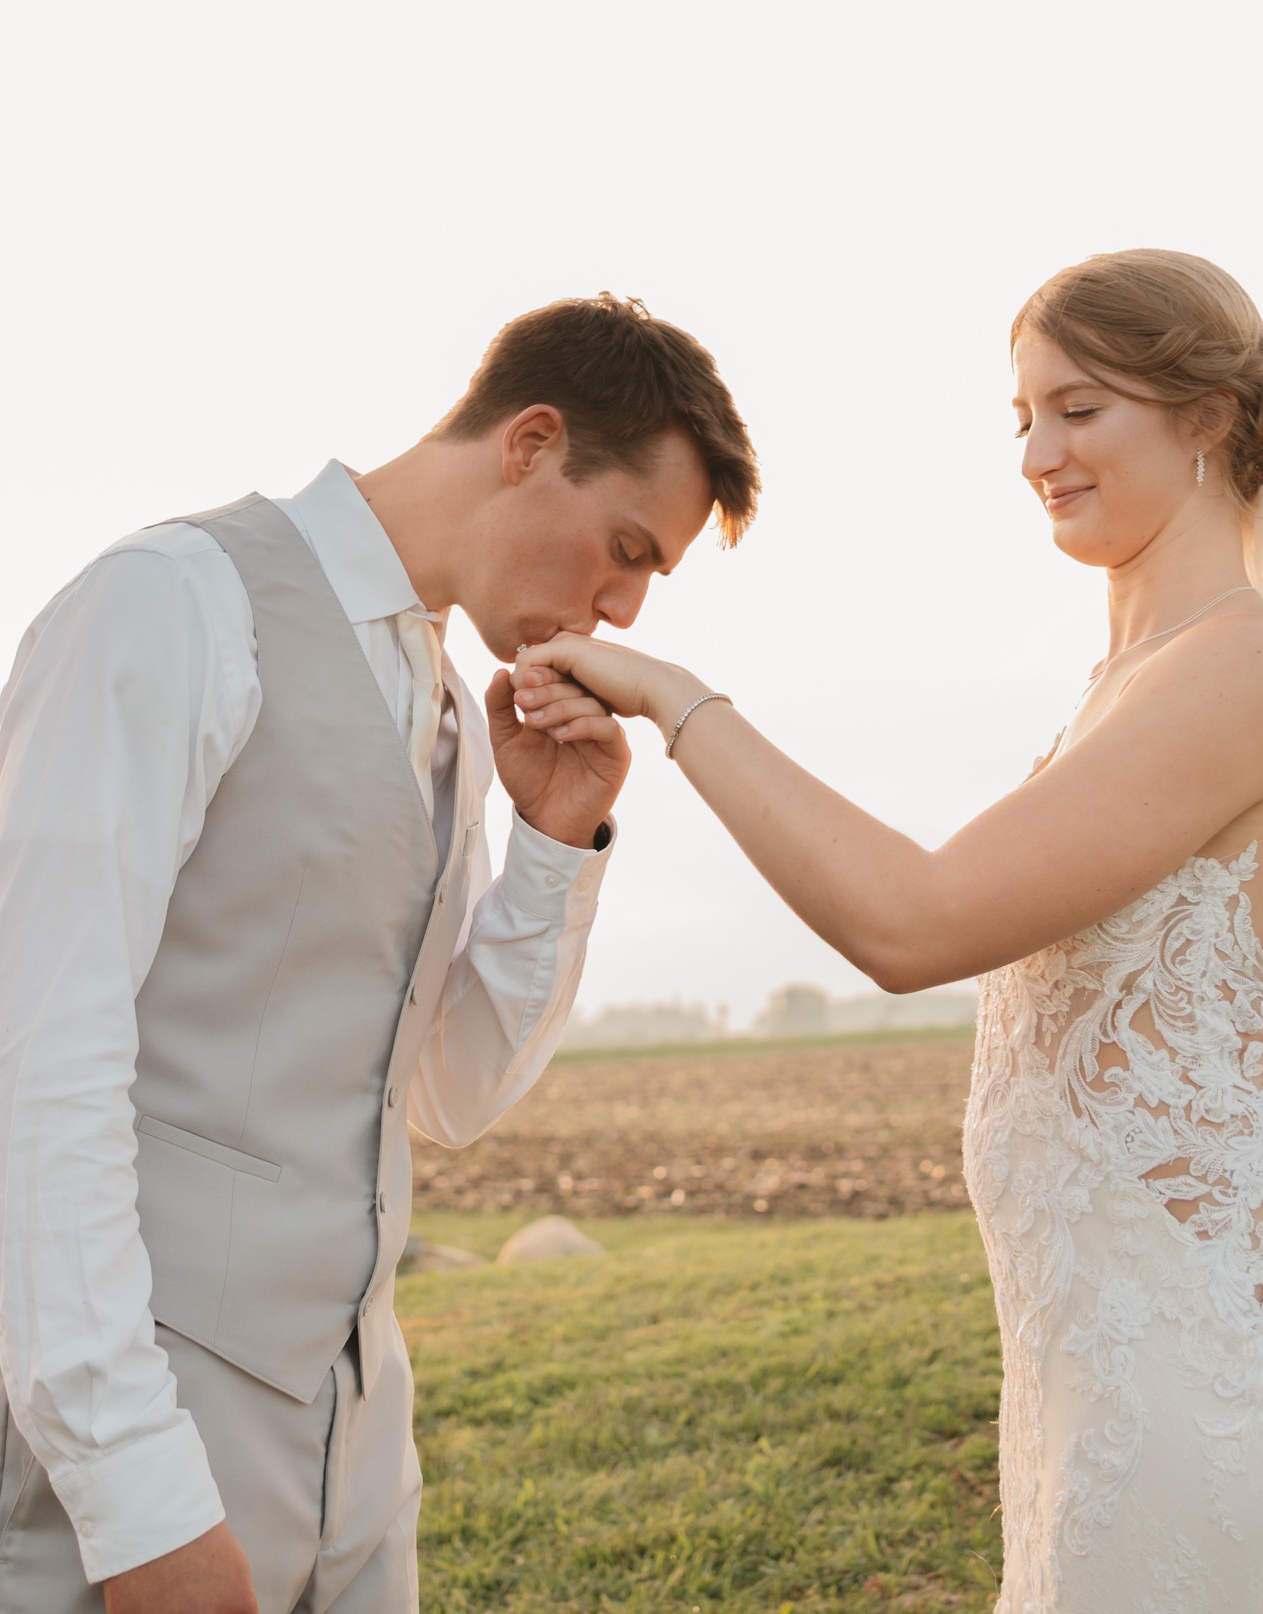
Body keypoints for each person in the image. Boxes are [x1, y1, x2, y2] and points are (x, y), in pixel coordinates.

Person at [512, 251, 1263, 1611]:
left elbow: (914, 920)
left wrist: (677, 700)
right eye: (1021, 416)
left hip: (1207, 1376)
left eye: (1079, 409)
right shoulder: (1130, 681)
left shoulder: (1246, 666)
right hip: (1094, 1366)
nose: (1035, 454)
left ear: (1207, 414)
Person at [0, 291, 759, 1614]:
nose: (624, 606)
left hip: (362, 1451)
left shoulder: (452, 710)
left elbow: (444, 1093)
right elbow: (35, 1066)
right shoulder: (172, 603)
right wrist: (137, 1495)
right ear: (531, 442)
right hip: (151, 1441)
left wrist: (552, 845)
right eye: (626, 547)